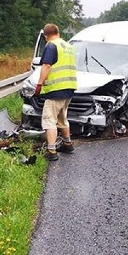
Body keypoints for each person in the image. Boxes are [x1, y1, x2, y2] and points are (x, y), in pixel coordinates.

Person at [34, 23, 78, 161]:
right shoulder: (68, 47)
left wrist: (39, 84)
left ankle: (52, 152)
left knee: (49, 120)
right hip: (69, 87)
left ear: (46, 36)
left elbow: (47, 65)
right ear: (58, 32)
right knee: (62, 118)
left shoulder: (51, 45)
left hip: (55, 89)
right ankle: (68, 144)